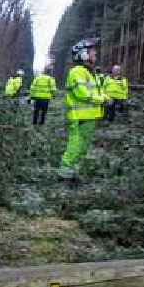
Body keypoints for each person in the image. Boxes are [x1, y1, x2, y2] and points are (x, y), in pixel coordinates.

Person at [59, 38, 108, 181]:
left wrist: (105, 97)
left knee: (84, 145)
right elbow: (83, 93)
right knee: (76, 144)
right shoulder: (77, 71)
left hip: (89, 116)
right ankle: (65, 172)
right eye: (92, 52)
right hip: (79, 116)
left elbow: (97, 91)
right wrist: (103, 100)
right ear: (83, 55)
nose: (95, 55)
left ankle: (73, 171)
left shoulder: (89, 73)